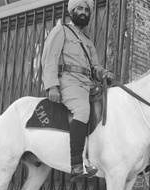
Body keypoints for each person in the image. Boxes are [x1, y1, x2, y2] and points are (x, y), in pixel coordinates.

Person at [41, 0, 113, 180]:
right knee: (82, 109)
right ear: (72, 11)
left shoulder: (88, 42)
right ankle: (76, 165)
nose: (83, 12)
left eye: (87, 10)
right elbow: (50, 57)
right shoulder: (61, 30)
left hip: (88, 83)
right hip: (69, 82)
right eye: (80, 8)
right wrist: (52, 85)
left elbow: (95, 67)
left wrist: (104, 74)